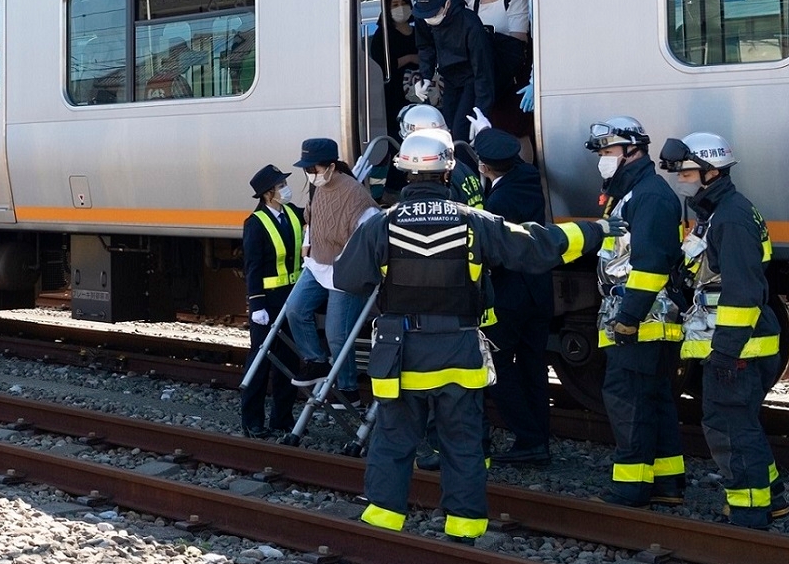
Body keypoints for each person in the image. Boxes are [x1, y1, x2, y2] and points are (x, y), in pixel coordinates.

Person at [333, 130, 599, 543]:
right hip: (458, 353)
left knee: (394, 440)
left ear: (403, 171)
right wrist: (598, 230)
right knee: (463, 442)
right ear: (449, 173)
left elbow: (346, 278)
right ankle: (464, 530)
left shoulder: (381, 226)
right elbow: (536, 247)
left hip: (401, 357)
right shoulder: (475, 221)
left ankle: (382, 527)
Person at [664, 133, 787, 528]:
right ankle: (773, 499)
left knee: (728, 427)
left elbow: (743, 290)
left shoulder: (730, 218)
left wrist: (726, 352)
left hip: (741, 348)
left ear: (712, 171)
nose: (681, 178)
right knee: (741, 423)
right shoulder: (718, 211)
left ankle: (749, 512)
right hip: (739, 345)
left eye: (687, 171)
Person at [589, 116, 688, 508]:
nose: (603, 158)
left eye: (609, 151)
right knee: (654, 399)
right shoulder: (634, 191)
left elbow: (649, 266)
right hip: (646, 319)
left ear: (632, 150)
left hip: (642, 321)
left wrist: (627, 318)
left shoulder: (648, 196)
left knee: (627, 400)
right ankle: (666, 483)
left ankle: (630, 489)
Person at [477, 129, 554, 465]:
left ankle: (528, 438)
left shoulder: (497, 203)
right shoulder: (527, 176)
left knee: (497, 367)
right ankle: (539, 439)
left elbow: (495, 253)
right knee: (534, 367)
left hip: (510, 296)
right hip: (540, 290)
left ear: (485, 167)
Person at [292, 137, 378, 407]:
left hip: (345, 268)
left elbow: (369, 232)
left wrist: (351, 266)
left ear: (330, 166)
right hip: (318, 263)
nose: (310, 174)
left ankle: (348, 389)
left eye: (313, 168)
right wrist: (308, 244)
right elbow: (311, 219)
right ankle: (317, 361)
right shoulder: (317, 189)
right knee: (295, 309)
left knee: (337, 334)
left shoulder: (355, 194)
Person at [240, 163, 306, 438]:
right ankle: (252, 420)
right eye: (280, 186)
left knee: (289, 360)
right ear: (268, 194)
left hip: (293, 298)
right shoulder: (255, 224)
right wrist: (256, 305)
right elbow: (252, 266)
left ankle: (282, 417)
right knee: (261, 359)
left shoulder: (292, 214)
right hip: (267, 302)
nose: (285, 190)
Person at [409, 0, 497, 142]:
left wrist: (481, 110)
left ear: (447, 4)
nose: (429, 19)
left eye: (433, 13)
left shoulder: (470, 24)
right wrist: (425, 76)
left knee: (460, 131)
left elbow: (483, 70)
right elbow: (425, 47)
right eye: (424, 14)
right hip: (448, 78)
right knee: (445, 128)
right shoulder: (423, 17)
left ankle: (467, 166)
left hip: (471, 77)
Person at [466, 0, 533, 139]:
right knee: (490, 129)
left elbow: (519, 38)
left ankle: (522, 169)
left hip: (511, 77)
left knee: (516, 132)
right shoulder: (474, 2)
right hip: (485, 77)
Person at [368, 0, 422, 135]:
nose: (401, 8)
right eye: (395, 5)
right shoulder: (382, 35)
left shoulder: (419, 30)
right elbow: (381, 65)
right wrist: (410, 58)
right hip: (394, 95)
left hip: (421, 91)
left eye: (404, 3)